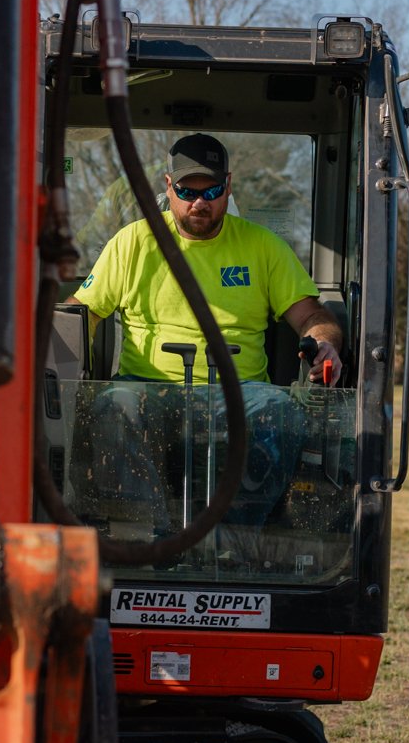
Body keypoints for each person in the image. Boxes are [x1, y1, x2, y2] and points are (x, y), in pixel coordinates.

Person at [69, 132, 344, 536]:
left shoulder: (262, 247)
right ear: (168, 186)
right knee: (114, 407)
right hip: (147, 387)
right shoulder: (133, 243)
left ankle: (233, 543)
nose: (199, 202)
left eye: (212, 190)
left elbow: (312, 315)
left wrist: (325, 343)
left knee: (279, 412)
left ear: (228, 186)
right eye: (186, 190)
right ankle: (149, 539)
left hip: (240, 391)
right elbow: (83, 313)